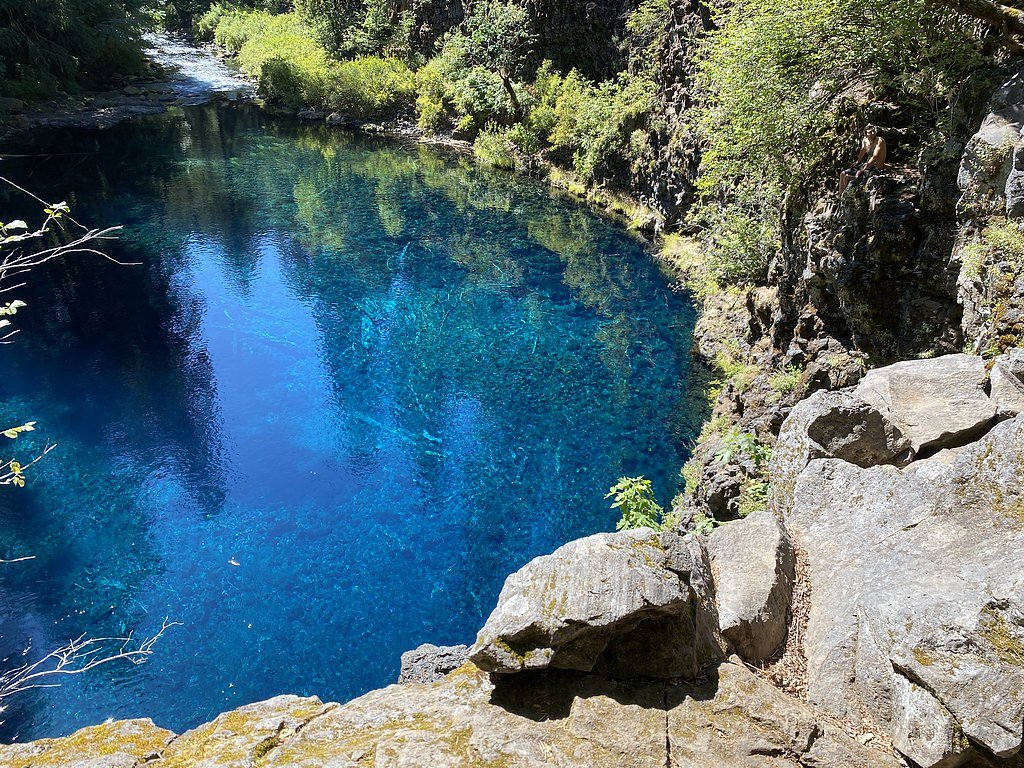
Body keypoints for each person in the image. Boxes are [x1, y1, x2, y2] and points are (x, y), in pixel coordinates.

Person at [839, 124, 887, 194]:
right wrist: (857, 162)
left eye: (873, 131)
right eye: (870, 132)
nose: (873, 133)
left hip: (876, 167)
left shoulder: (879, 141)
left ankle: (845, 197)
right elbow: (863, 151)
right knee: (843, 174)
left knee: (847, 177)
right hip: (868, 165)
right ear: (866, 134)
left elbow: (875, 156)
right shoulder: (865, 140)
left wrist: (862, 169)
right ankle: (840, 196)